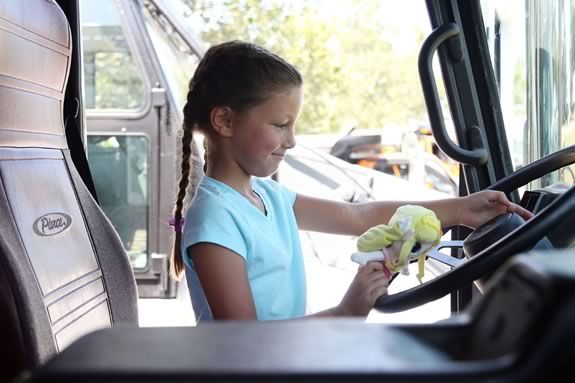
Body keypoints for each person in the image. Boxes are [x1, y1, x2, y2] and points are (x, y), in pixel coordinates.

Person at [169, 40, 533, 322]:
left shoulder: (266, 195)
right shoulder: (215, 221)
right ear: (225, 122)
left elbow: (357, 216)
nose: (292, 140)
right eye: (280, 125)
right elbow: (245, 342)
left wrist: (461, 209)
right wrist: (345, 313)